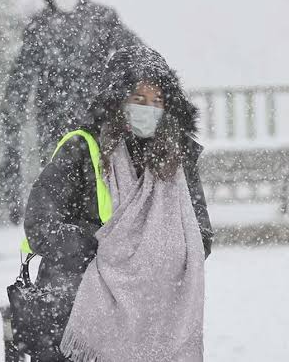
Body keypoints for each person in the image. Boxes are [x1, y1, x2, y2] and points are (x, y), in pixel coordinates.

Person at [24, 46, 213, 362]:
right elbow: (40, 222)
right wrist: (95, 251)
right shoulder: (83, 148)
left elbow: (200, 233)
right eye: (139, 100)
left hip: (157, 303)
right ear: (117, 101)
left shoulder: (178, 159)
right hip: (86, 294)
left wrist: (155, 258)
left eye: (157, 101)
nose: (148, 109)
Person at [1, 0, 139, 225]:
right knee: (61, 188)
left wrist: (133, 89)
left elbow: (133, 52)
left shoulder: (101, 20)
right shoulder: (40, 27)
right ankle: (67, 241)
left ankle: (102, 236)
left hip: (98, 121)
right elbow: (21, 77)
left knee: (100, 186)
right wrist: (12, 109)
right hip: (54, 125)